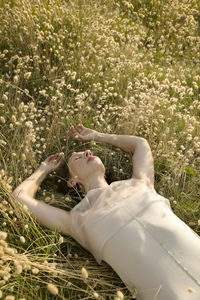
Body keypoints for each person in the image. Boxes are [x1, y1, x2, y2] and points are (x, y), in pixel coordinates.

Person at [12, 124, 200, 300]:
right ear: (72, 182)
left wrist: (96, 135)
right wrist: (43, 170)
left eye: (87, 151)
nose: (87, 152)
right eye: (77, 158)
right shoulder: (78, 221)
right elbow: (20, 198)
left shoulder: (140, 184)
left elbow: (140, 144)